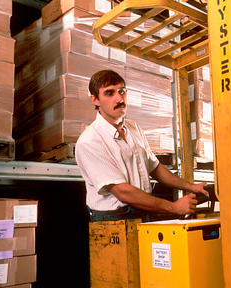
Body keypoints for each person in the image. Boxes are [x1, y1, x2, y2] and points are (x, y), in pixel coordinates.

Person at [76, 69, 208, 221]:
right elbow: (122, 192)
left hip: (143, 211)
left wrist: (191, 187)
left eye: (122, 91)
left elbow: (155, 167)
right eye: (109, 93)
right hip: (114, 219)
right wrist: (174, 207)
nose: (119, 98)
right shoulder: (90, 141)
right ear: (95, 100)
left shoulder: (133, 128)